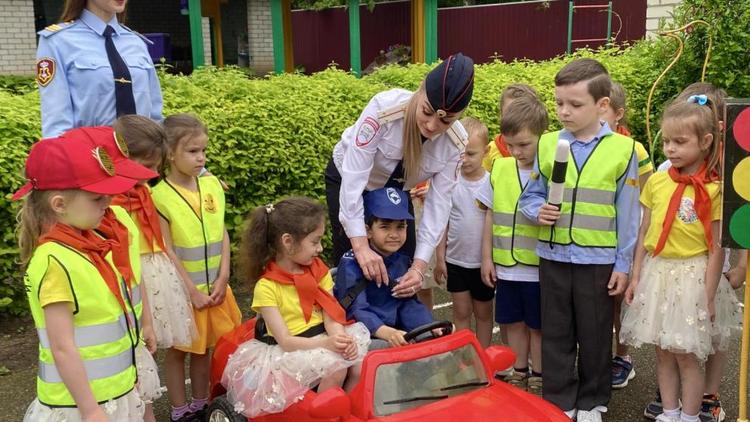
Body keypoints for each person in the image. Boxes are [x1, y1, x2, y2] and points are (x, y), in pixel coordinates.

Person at [518, 58, 640, 422]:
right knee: (555, 332)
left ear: (603, 106)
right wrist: (536, 210)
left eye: (574, 104)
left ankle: (592, 401)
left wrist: (623, 264)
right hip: (553, 256)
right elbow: (530, 195)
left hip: (598, 262)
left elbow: (629, 213)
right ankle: (559, 399)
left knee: (595, 334)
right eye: (559, 103)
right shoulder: (547, 144)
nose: (564, 112)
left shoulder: (623, 150)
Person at [16, 131, 153, 421]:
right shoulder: (55, 261)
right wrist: (90, 410)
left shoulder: (89, 245)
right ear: (59, 205)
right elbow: (62, 347)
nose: (108, 202)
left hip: (113, 392)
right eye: (96, 198)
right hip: (81, 405)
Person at [620, 96, 741, 422]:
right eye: (667, 141)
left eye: (680, 141)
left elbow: (717, 247)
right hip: (658, 275)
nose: (671, 149)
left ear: (705, 142)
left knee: (687, 355)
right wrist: (636, 277)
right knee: (662, 352)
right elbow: (645, 232)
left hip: (693, 277)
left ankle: (689, 415)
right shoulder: (657, 182)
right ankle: (669, 412)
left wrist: (709, 293)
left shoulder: (714, 190)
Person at [325, 53, 475, 300]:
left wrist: (419, 267)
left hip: (397, 190)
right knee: (351, 261)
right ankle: (352, 329)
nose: (431, 126)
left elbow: (439, 205)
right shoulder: (383, 109)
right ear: (420, 90)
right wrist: (361, 245)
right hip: (350, 178)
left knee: (403, 264)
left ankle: (396, 332)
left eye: (445, 121)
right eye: (426, 112)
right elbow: (354, 176)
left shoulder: (456, 144)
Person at [223, 197, 370, 417]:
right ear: (288, 241)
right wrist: (328, 344)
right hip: (293, 348)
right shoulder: (267, 286)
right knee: (337, 369)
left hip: (322, 338)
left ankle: (345, 412)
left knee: (360, 366)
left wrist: (341, 340)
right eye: (314, 241)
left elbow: (330, 313)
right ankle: (322, 417)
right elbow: (286, 341)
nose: (320, 248)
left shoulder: (318, 271)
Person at [151, 114, 242, 422]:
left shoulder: (213, 185)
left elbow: (222, 232)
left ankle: (201, 405)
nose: (201, 157)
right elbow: (167, 249)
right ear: (169, 153)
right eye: (192, 151)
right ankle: (179, 411)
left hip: (215, 289)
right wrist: (190, 291)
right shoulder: (159, 197)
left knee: (204, 350)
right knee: (178, 352)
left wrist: (224, 275)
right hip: (182, 294)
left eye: (204, 150)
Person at [477, 96, 548, 395]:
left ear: (542, 137)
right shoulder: (500, 170)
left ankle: (540, 373)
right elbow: (490, 215)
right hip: (506, 267)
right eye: (510, 145)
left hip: (537, 268)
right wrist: (486, 259)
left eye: (524, 145)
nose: (516, 152)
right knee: (514, 323)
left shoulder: (551, 169)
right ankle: (519, 369)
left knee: (538, 326)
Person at [36, 0, 163, 138]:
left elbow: (155, 114)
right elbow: (56, 122)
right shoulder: (57, 41)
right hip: (90, 153)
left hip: (143, 153)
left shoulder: (136, 42)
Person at [601, 81, 654, 390]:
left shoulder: (635, 149)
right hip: (599, 238)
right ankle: (600, 355)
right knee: (603, 299)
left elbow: (648, 197)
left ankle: (623, 357)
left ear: (617, 114)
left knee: (622, 300)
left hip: (628, 237)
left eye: (603, 112)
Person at [334, 187, 434, 349]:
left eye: (400, 227)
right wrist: (386, 332)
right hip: (363, 333)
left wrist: (429, 326)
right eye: (385, 227)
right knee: (385, 348)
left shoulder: (402, 261)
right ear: (368, 231)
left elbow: (407, 303)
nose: (394, 234)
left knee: (431, 342)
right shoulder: (351, 264)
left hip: (395, 331)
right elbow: (355, 309)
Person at [434, 117, 494, 349]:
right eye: (459, 153)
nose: (464, 159)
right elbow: (443, 223)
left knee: (484, 314)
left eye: (471, 153)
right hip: (456, 261)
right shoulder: (450, 182)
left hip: (482, 264)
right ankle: (465, 360)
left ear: (486, 151)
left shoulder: (492, 183)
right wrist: (440, 259)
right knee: (460, 313)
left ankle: (486, 357)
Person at [482, 83, 542, 171]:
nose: (514, 119)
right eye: (509, 113)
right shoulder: (491, 150)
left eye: (521, 114)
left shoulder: (546, 147)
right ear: (500, 115)